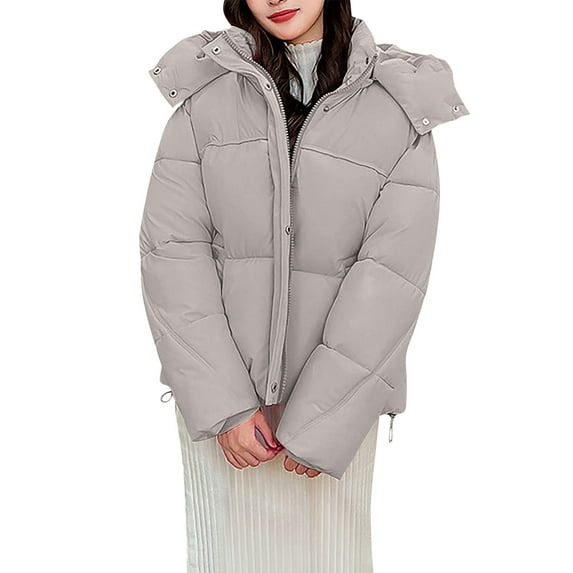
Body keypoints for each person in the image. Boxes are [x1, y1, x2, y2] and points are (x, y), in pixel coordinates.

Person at [139, 0, 469, 570]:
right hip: (227, 416)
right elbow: (172, 254)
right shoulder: (206, 95)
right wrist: (225, 406)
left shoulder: (398, 104)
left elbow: (391, 277)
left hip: (341, 412)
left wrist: (323, 420)